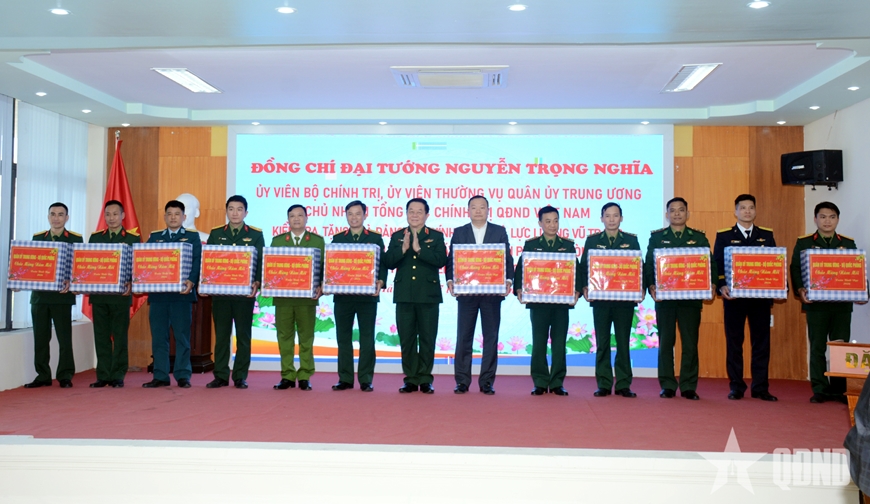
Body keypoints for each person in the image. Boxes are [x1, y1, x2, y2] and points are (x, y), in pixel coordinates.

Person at [789, 201, 867, 404]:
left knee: (840, 347)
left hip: (842, 306)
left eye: (832, 217)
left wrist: (863, 292)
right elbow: (795, 268)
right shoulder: (804, 242)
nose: (827, 221)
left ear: (837, 220)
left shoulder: (848, 243)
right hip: (816, 306)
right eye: (823, 217)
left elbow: (856, 269)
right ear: (815, 219)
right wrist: (800, 290)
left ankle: (839, 389)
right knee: (817, 347)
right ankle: (820, 389)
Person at [643, 197, 716, 401]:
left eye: (681, 210)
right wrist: (651, 286)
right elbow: (649, 265)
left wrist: (712, 285)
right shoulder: (657, 238)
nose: (677, 213)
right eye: (673, 210)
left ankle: (688, 386)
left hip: (690, 300)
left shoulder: (698, 238)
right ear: (667, 215)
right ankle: (667, 384)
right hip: (665, 300)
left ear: (687, 214)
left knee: (690, 344)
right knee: (666, 343)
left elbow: (709, 264)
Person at [445, 195, 514, 395]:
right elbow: (452, 260)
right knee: (464, 337)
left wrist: (508, 280)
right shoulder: (460, 232)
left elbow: (506, 259)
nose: (478, 211)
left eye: (482, 207)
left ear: (488, 210)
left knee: (490, 338)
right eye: (473, 207)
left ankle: (487, 382)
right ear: (468, 211)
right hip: (466, 295)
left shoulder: (499, 231)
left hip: (492, 294)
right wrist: (450, 280)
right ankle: (462, 381)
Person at [713, 194, 778, 402]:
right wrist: (722, 285)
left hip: (760, 299)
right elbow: (717, 265)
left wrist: (779, 287)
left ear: (755, 211)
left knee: (761, 344)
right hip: (734, 299)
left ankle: (760, 387)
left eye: (751, 207)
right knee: (734, 343)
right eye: (743, 208)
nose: (747, 211)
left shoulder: (766, 235)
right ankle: (736, 387)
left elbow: (775, 264)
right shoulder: (724, 236)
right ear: (736, 211)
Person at [513, 206, 581, 396]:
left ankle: (557, 382)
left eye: (555, 221)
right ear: (540, 223)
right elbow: (521, 270)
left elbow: (576, 271)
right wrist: (519, 289)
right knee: (539, 343)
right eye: (548, 221)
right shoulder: (531, 245)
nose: (552, 225)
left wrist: (576, 291)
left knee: (559, 344)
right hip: (538, 304)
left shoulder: (567, 245)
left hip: (561, 304)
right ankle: (540, 382)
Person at [382, 198, 447, 394]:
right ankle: (410, 378)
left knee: (427, 338)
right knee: (407, 339)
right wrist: (402, 249)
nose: (415, 215)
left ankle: (425, 378)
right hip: (404, 295)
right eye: (411, 211)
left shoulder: (435, 236)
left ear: (427, 215)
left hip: (428, 295)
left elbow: (441, 260)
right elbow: (388, 262)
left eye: (419, 211)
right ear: (406, 213)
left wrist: (420, 249)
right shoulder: (397, 236)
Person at [579, 202, 641, 398]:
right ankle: (604, 383)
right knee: (602, 342)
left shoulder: (631, 240)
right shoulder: (592, 241)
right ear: (602, 219)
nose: (612, 219)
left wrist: (641, 288)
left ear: (621, 218)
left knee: (623, 343)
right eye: (608, 216)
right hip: (601, 301)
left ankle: (623, 384)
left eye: (615, 216)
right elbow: (583, 267)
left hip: (625, 302)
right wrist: (585, 287)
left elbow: (638, 266)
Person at [204, 195, 264, 390]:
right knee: (221, 337)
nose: (235, 213)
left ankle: (240, 376)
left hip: (244, 296)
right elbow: (209, 261)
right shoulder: (216, 234)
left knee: (243, 337)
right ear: (226, 211)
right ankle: (221, 375)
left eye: (239, 209)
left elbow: (260, 262)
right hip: (221, 295)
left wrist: (257, 282)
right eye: (231, 209)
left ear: (246, 212)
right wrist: (204, 283)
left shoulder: (255, 235)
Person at [143, 200, 202, 388]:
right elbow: (145, 260)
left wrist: (192, 281)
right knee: (159, 337)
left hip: (182, 296)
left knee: (182, 337)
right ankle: (160, 375)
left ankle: (183, 375)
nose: (173, 217)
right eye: (169, 214)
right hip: (158, 296)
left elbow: (197, 261)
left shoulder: (192, 237)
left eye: (177, 214)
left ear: (184, 217)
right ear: (165, 217)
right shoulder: (155, 237)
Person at [330, 200, 388, 392]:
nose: (354, 217)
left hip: (367, 298)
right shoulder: (338, 239)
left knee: (367, 338)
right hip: (343, 297)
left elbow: (382, 264)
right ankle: (345, 378)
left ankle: (365, 379)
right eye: (350, 214)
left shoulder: (375, 238)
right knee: (343, 338)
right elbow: (331, 265)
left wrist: (381, 281)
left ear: (365, 215)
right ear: (346, 216)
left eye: (357, 214)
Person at [24, 202, 83, 389]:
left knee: (64, 339)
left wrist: (72, 282)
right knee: (40, 339)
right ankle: (43, 375)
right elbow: (31, 264)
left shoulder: (75, 239)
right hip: (40, 298)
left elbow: (79, 267)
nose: (56, 218)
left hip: (62, 298)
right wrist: (19, 280)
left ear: (67, 218)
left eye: (60, 214)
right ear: (48, 217)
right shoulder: (38, 238)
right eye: (53, 214)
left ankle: (65, 375)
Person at [271, 204, 324, 391]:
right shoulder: (277, 241)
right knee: (284, 337)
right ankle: (287, 375)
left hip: (307, 299)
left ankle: (304, 376)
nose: (296, 219)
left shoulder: (317, 241)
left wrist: (322, 285)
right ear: (288, 219)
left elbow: (323, 268)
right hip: (283, 299)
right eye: (292, 216)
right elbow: (272, 267)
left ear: (306, 218)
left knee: (306, 337)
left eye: (300, 215)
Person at [87, 200, 140, 389]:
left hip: (120, 297)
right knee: (101, 336)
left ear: (123, 216)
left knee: (119, 337)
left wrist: (131, 282)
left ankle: (118, 374)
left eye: (115, 214)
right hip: (99, 296)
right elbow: (89, 264)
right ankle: (103, 375)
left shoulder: (132, 239)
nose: (111, 218)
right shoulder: (95, 239)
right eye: (108, 214)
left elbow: (138, 266)